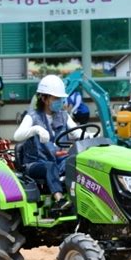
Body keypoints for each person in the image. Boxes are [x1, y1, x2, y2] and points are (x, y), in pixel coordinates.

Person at [13, 74, 87, 212]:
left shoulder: (63, 115)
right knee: (49, 166)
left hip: (57, 160)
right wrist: (36, 129)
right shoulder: (32, 116)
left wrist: (91, 135)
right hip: (34, 164)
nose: (60, 101)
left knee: (76, 162)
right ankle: (60, 199)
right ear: (44, 98)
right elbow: (17, 136)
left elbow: (76, 133)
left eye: (60, 98)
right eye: (56, 98)